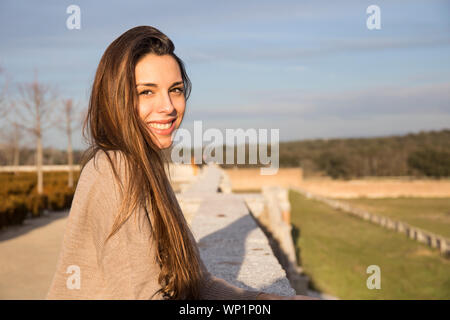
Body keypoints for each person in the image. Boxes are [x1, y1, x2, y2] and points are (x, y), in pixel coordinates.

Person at [46, 25, 316, 300]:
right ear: (115, 98)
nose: (169, 106)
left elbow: (198, 285)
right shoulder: (116, 168)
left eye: (175, 90)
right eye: (146, 92)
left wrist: (265, 301)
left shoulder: (146, 166)